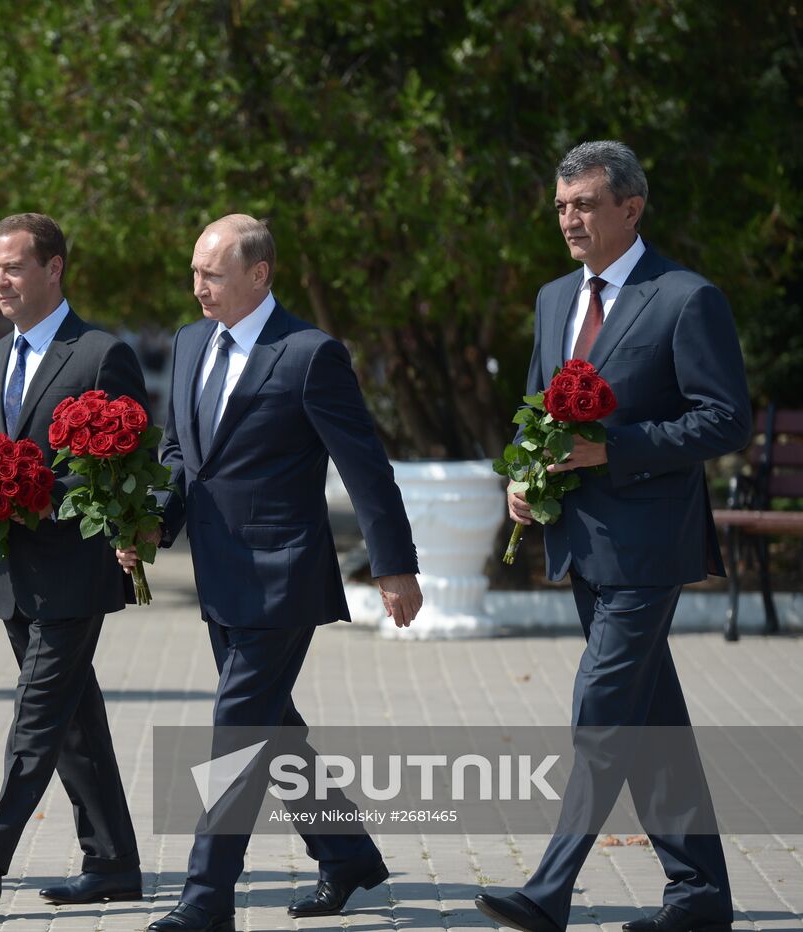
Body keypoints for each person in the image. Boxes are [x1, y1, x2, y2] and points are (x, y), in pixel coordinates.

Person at [120, 215, 423, 932]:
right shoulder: (191, 343)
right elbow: (178, 453)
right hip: (218, 576)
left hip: (283, 574)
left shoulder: (310, 354)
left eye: (213, 274)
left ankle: (205, 900)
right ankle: (346, 854)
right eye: (194, 272)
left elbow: (365, 467)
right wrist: (154, 523)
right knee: (274, 729)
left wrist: (395, 566)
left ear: (260, 275)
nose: (198, 287)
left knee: (237, 729)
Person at [475, 142, 748, 932]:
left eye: (586, 204)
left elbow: (725, 418)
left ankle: (550, 889)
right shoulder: (554, 297)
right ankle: (699, 896)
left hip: (650, 541)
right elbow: (540, 406)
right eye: (563, 205)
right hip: (582, 540)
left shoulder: (686, 298)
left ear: (631, 208)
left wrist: (615, 449)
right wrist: (526, 477)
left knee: (601, 709)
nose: (570, 218)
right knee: (650, 715)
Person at [0, 214, 144, 911]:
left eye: (12, 267)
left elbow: (121, 474)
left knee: (38, 714)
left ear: (54, 269)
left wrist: (43, 497)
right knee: (74, 719)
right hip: (17, 574)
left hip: (76, 571)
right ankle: (111, 863)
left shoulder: (101, 354)